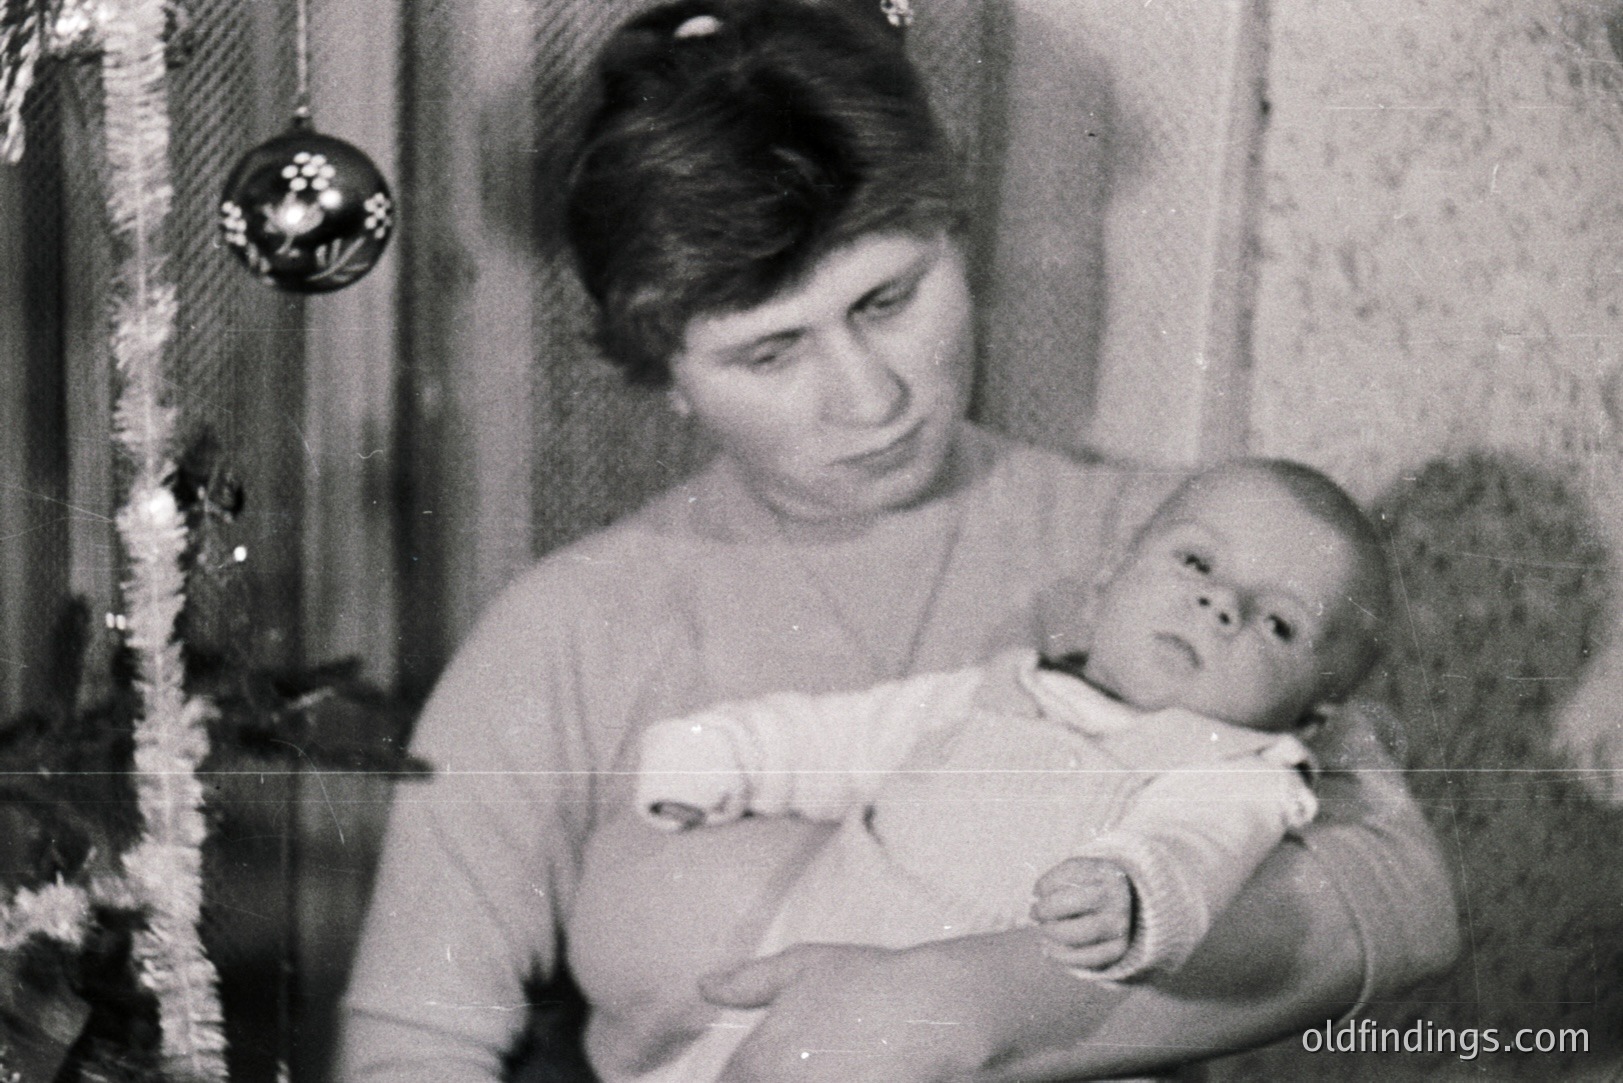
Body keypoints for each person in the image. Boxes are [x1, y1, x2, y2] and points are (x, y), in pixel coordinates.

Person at [337, 2, 1459, 1081]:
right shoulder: (566, 630)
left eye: (887, 300)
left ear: (957, 243)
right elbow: (415, 1038)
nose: (869, 398)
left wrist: (961, 1006)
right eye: (771, 352)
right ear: (666, 375)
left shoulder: (1165, 551)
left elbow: (1402, 896)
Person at [630, 459, 1392, 1081]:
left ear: (1310, 718)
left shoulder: (1236, 769)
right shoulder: (995, 689)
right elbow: (843, 736)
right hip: (801, 993)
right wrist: (724, 751)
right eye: (1196, 560)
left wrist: (1133, 892)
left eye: (1278, 622)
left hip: (1008, 1049)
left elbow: (1197, 846)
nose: (1220, 603)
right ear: (1108, 579)